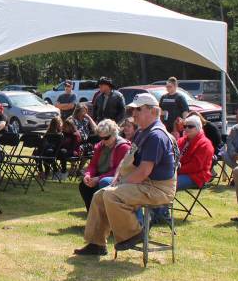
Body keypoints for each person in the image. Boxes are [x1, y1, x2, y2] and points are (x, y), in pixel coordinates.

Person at [74, 93, 177, 256]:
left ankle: (134, 233)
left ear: (153, 111)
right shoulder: (142, 132)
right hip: (144, 184)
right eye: (132, 109)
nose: (133, 113)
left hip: (158, 189)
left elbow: (143, 171)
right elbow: (127, 160)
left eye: (138, 109)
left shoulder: (156, 135)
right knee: (99, 195)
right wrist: (117, 179)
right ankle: (96, 244)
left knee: (111, 195)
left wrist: (120, 184)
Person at [78, 119, 130, 210]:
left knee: (101, 184)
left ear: (114, 134)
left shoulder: (123, 147)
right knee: (84, 185)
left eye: (106, 138)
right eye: (101, 138)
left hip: (116, 178)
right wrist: (88, 175)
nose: (103, 140)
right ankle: (92, 213)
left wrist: (98, 178)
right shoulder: (100, 146)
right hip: (100, 176)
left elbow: (119, 170)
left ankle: (100, 214)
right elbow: (93, 165)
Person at [176, 115, 214, 191]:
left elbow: (196, 166)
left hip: (196, 176)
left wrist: (175, 170)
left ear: (198, 127)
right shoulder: (181, 140)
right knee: (159, 180)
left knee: (168, 184)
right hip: (178, 171)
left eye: (190, 126)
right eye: (185, 126)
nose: (186, 128)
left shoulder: (205, 144)